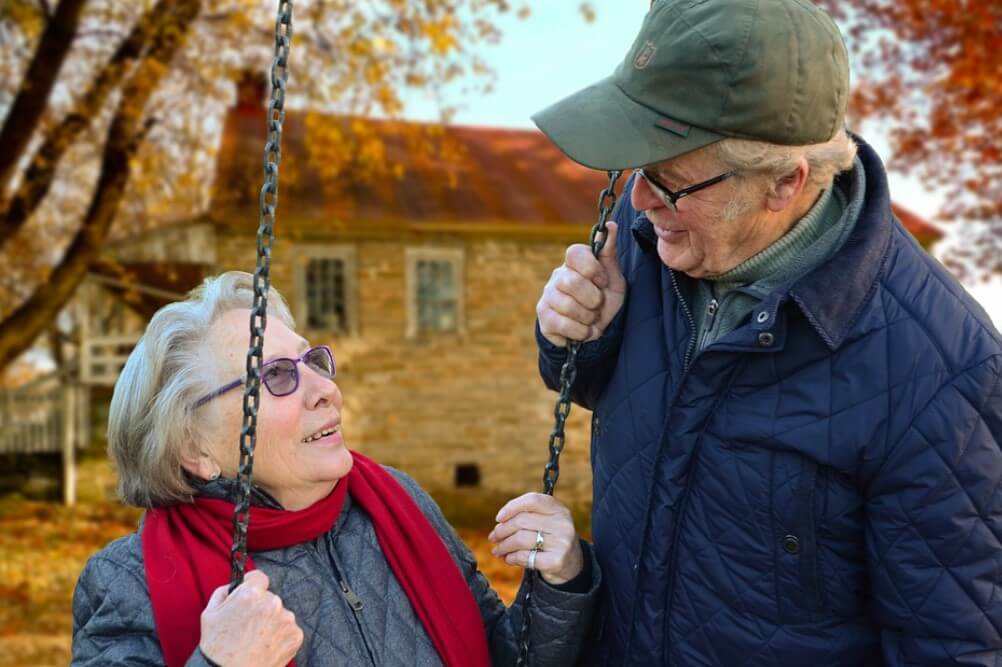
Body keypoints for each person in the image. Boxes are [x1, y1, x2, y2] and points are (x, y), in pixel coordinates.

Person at [532, 0, 1002, 665]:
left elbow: (954, 646)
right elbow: (603, 392)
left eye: (668, 180)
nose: (639, 199)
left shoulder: (943, 372)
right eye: (639, 167)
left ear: (786, 182)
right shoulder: (652, 241)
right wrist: (574, 337)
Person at [71, 271, 599, 666]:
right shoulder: (127, 582)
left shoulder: (398, 503)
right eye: (276, 376)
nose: (325, 390)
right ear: (194, 448)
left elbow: (504, 656)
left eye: (312, 362)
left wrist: (558, 581)